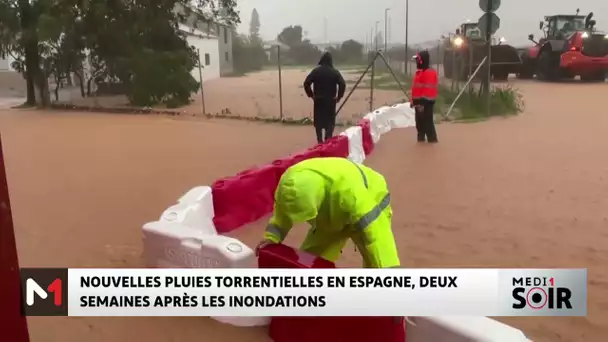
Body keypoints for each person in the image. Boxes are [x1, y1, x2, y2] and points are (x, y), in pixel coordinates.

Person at [256, 157, 400, 268]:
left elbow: (376, 237)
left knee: (376, 267)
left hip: (371, 198)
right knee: (308, 261)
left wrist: (390, 274)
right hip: (331, 213)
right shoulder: (288, 186)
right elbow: (282, 215)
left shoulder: (350, 196)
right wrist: (272, 237)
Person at [303, 52, 346, 144]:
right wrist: (338, 97)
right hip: (331, 101)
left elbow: (306, 83)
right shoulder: (334, 72)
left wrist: (311, 95)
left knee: (318, 122)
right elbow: (342, 84)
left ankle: (319, 141)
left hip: (318, 101)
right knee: (330, 122)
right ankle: (328, 140)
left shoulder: (316, 71)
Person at [411, 50, 438, 143]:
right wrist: (413, 101)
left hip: (425, 104)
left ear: (422, 61)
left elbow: (428, 91)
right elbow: (415, 89)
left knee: (428, 126)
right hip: (418, 104)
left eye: (417, 60)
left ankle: (432, 144)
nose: (416, 62)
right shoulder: (419, 72)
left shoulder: (429, 72)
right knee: (420, 127)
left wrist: (422, 104)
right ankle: (421, 145)